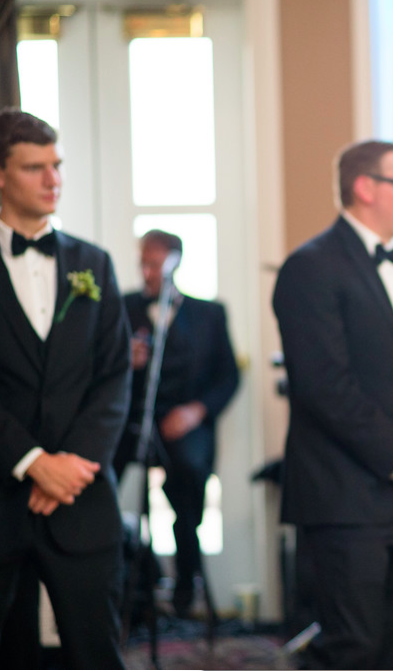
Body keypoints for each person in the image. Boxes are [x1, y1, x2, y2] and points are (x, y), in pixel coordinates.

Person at [272, 139, 393, 669]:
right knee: (353, 650)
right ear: (365, 187)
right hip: (344, 496)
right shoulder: (310, 267)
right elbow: (323, 386)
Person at [0, 109, 131, 667]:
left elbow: (115, 375)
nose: (54, 180)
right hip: (1, 495)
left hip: (81, 498)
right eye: (35, 168)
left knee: (97, 651)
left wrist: (71, 463)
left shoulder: (92, 264)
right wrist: (31, 460)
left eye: (57, 166)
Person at [114, 228, 240, 618]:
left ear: (174, 262)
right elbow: (95, 368)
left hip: (185, 423)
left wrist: (195, 412)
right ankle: (135, 571)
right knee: (99, 482)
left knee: (188, 475)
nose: (147, 272)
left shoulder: (209, 313)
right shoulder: (123, 307)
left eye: (154, 263)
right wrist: (123, 360)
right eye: (143, 263)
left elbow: (229, 376)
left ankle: (186, 579)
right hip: (133, 420)